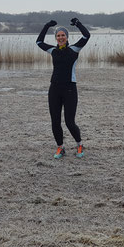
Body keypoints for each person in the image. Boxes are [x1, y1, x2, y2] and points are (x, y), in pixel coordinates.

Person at [36, 17, 90, 159]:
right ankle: (60, 147)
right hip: (54, 89)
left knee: (69, 122)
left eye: (63, 35)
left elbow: (86, 36)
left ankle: (79, 145)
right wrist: (47, 26)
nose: (60, 37)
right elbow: (39, 42)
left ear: (67, 37)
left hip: (70, 90)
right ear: (56, 38)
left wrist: (78, 24)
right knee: (55, 122)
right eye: (58, 35)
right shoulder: (53, 50)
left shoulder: (74, 48)